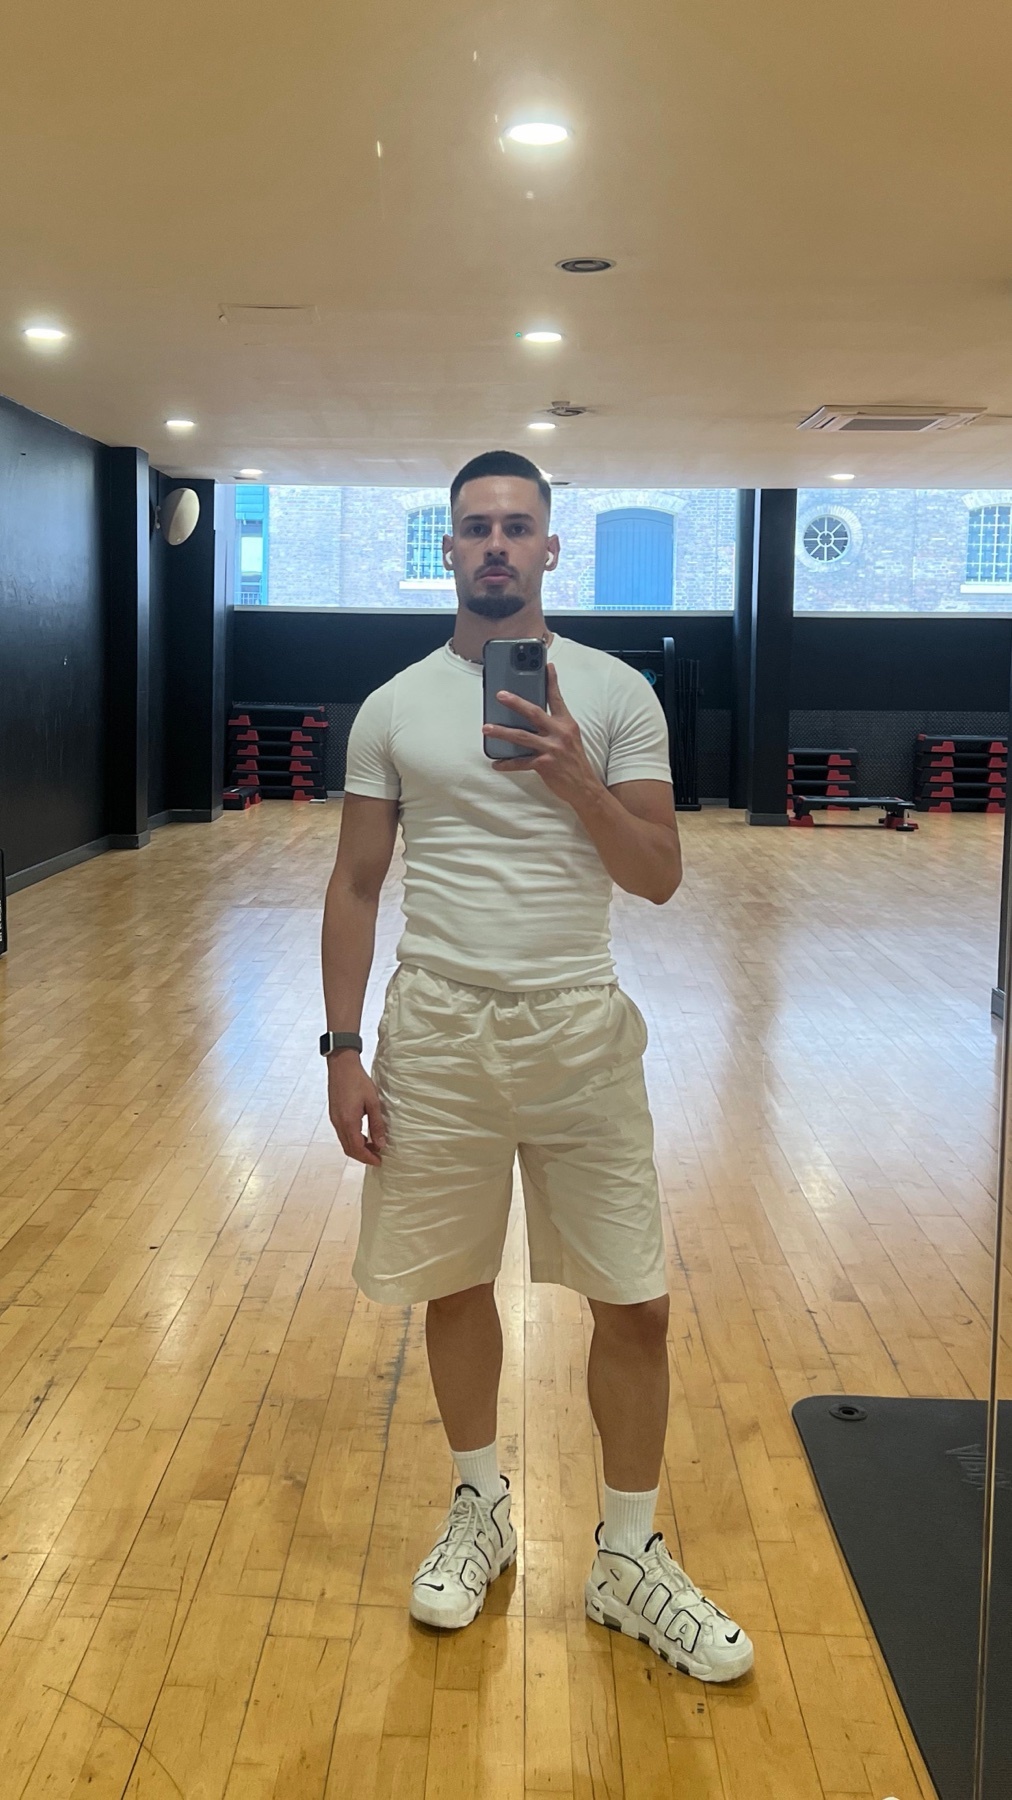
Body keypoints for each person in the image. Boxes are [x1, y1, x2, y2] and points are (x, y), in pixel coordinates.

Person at [320, 450, 753, 1682]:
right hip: (436, 1029)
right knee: (454, 1283)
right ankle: (480, 1507)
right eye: (476, 527)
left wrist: (571, 772)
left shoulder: (613, 696)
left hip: (578, 1029)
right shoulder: (394, 706)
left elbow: (657, 874)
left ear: (551, 549)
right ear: (448, 550)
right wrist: (343, 1049)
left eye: (518, 526)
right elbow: (354, 885)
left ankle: (626, 1555)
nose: (497, 544)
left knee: (637, 1300)